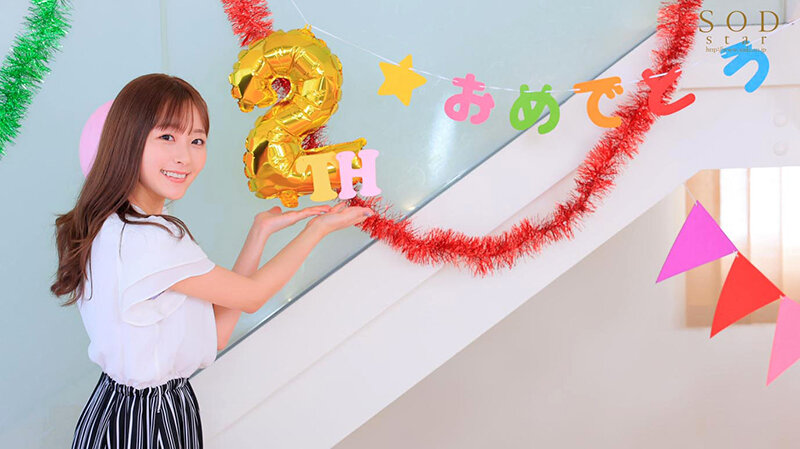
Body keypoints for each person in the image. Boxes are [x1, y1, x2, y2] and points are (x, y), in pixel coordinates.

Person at [50, 73, 374, 448]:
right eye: (167, 137)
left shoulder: (111, 225)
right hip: (149, 420)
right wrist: (317, 230)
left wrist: (259, 233)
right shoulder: (150, 239)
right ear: (128, 139)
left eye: (197, 140)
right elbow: (252, 297)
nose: (184, 157)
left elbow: (217, 332)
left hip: (120, 408)